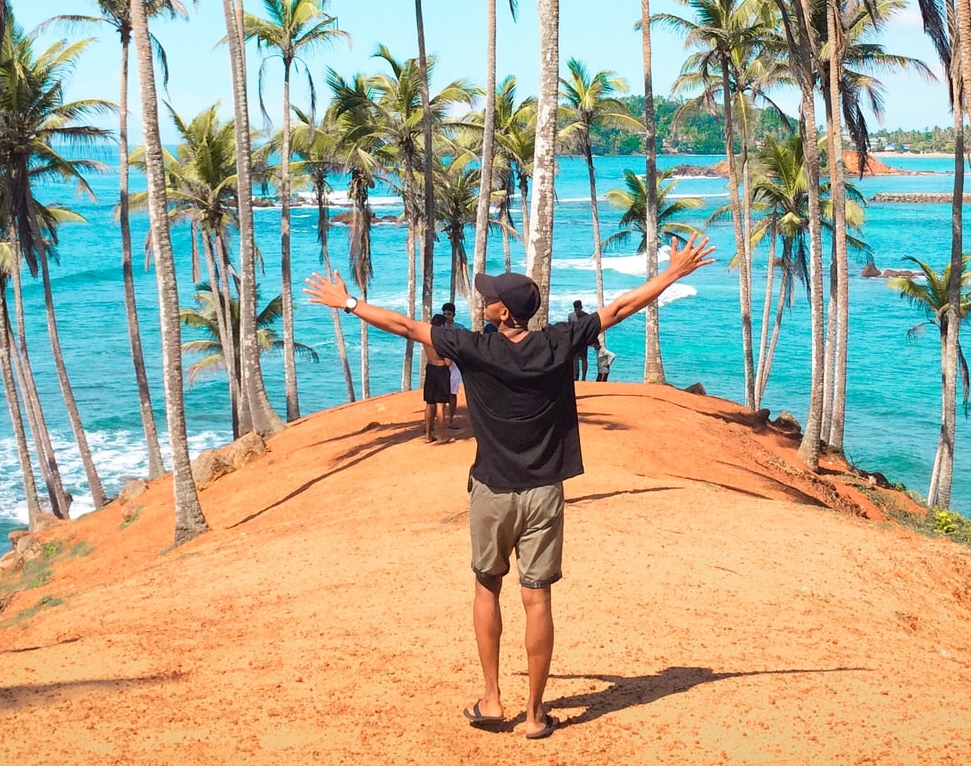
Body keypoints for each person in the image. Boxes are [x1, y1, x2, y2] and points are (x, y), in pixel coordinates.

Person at [304, 232, 714, 740]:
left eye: (490, 296)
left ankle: (493, 700)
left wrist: (347, 302)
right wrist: (674, 273)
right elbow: (623, 307)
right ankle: (537, 715)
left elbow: (403, 326)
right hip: (545, 491)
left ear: (502, 314)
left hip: (492, 491)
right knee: (536, 596)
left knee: (486, 586)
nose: (484, 298)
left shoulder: (472, 348)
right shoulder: (557, 343)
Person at [422, 311, 453, 442]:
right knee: (441, 405)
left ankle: (428, 435)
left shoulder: (426, 338)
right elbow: (448, 362)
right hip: (441, 370)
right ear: (441, 325)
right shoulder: (441, 340)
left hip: (430, 368)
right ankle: (441, 435)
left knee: (430, 403)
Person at [442, 299, 463, 436]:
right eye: (444, 314)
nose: (446, 317)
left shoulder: (460, 328)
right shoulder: (440, 328)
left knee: (452, 393)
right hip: (443, 365)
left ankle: (450, 419)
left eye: (448, 314)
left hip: (455, 365)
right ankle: (441, 421)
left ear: (453, 315)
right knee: (441, 394)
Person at [568, 300, 590, 380]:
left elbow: (588, 328)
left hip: (583, 340)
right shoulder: (571, 316)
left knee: (584, 358)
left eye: (578, 309)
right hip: (574, 340)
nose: (577, 311)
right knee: (574, 358)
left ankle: (584, 377)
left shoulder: (586, 316)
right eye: (575, 309)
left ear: (581, 307)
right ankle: (574, 376)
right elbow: (569, 328)